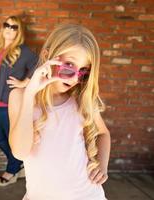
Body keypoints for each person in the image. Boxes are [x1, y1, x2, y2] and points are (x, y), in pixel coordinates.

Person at [9, 24, 111, 200]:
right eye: (69, 65)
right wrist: (30, 94)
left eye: (83, 72)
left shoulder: (81, 101)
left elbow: (103, 134)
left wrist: (102, 165)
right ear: (48, 56)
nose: (74, 78)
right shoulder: (19, 97)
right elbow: (19, 152)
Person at [0, 16, 38, 187]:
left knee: (11, 137)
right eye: (6, 25)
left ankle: (12, 171)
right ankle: (18, 162)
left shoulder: (23, 51)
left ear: (18, 31)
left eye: (14, 27)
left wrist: (24, 83)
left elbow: (39, 64)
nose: (9, 28)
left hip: (9, 103)